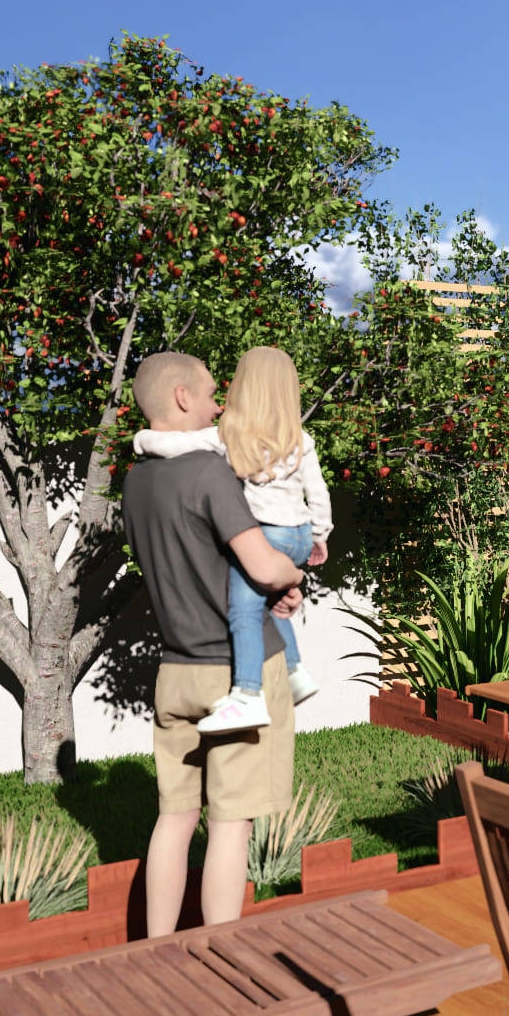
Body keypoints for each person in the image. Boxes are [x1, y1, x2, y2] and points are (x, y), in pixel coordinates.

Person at [121, 349, 306, 936]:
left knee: (174, 818)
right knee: (231, 825)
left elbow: (199, 563)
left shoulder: (137, 481)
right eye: (207, 393)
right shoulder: (208, 473)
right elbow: (263, 564)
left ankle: (156, 952)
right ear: (181, 399)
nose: (216, 403)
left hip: (175, 671)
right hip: (235, 677)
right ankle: (219, 962)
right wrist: (291, 576)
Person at [130, 344, 333, 731]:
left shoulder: (228, 438)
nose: (218, 405)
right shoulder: (299, 437)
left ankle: (247, 694)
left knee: (244, 609)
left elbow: (178, 444)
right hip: (299, 534)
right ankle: (295, 671)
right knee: (265, 602)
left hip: (268, 537)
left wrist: (143, 441)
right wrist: (318, 537)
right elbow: (318, 492)